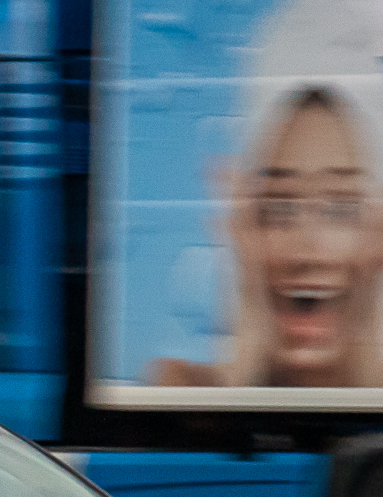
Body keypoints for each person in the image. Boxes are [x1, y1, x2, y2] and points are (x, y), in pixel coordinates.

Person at [149, 0, 383, 388]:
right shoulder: (179, 396)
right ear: (240, 220)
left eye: (341, 208)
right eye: (280, 207)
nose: (309, 252)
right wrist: (241, 367)